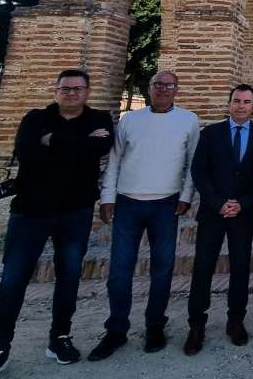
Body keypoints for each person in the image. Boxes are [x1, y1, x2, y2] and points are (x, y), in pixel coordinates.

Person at [0, 69, 113, 379]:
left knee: (69, 277)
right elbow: (27, 153)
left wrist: (52, 142)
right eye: (66, 88)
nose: (71, 93)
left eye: (77, 88)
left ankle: (60, 338)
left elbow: (98, 149)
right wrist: (78, 143)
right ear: (56, 89)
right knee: (12, 281)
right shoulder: (35, 118)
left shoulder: (99, 119)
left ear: (87, 91)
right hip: (30, 211)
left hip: (75, 212)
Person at [87, 70, 199, 361]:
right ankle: (116, 329)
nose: (163, 89)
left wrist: (186, 196)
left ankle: (154, 326)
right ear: (149, 89)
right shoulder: (130, 120)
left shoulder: (189, 120)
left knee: (162, 270)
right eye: (157, 85)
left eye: (169, 85)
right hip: (127, 203)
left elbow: (192, 163)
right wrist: (107, 196)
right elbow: (115, 159)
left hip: (167, 203)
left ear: (177, 89)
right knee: (119, 272)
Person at [184, 84, 253, 355]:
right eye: (236, 101)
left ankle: (236, 320)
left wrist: (242, 203)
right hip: (213, 212)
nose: (241, 106)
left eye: (246, 102)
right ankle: (196, 325)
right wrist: (219, 202)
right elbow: (199, 170)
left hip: (242, 214)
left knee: (241, 267)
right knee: (203, 268)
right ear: (229, 104)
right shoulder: (211, 133)